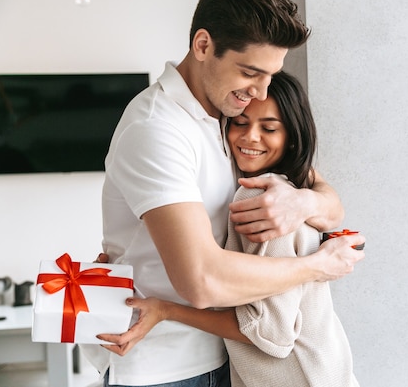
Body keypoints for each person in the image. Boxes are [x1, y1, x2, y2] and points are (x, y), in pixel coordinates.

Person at [80, 0, 365, 386]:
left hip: (229, 360)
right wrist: (317, 267)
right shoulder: (158, 130)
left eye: (270, 74)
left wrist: (302, 203)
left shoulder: (230, 120)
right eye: (250, 72)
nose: (261, 91)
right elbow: (201, 280)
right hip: (164, 367)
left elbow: (323, 192)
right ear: (203, 45)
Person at [100, 71, 360, 387]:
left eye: (269, 128)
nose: (251, 137)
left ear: (291, 137)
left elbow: (270, 332)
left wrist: (166, 310)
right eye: (241, 123)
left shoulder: (263, 200)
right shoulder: (281, 186)